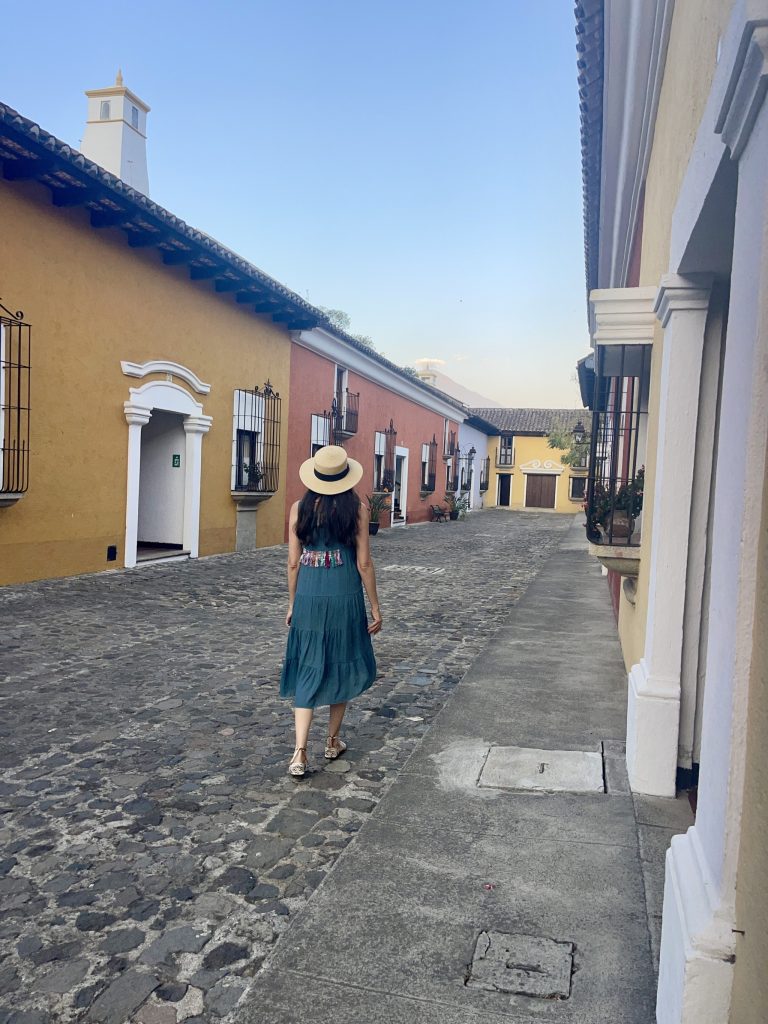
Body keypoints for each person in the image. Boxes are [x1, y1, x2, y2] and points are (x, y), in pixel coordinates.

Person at [280, 445, 383, 777]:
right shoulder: (358, 510)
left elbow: (293, 562)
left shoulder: (299, 509)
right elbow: (363, 563)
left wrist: (293, 603)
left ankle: (299, 753)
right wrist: (375, 607)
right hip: (344, 592)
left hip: (309, 593)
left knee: (308, 665)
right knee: (342, 660)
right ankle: (332, 740)